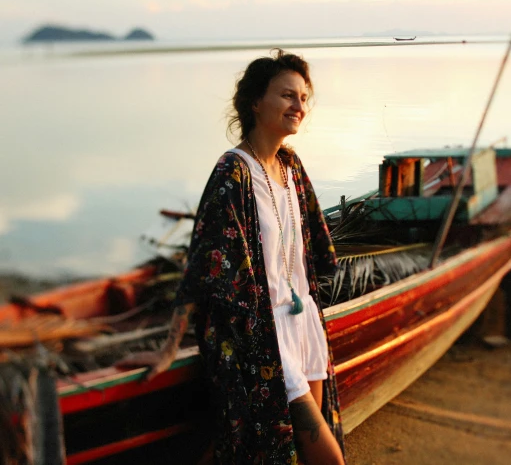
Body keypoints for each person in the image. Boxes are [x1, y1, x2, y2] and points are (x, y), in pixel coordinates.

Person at [119, 49, 346, 465]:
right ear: (255, 102)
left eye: (303, 97)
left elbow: (315, 246)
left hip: (304, 323)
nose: (299, 106)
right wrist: (170, 347)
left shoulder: (291, 166)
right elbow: (201, 266)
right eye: (286, 95)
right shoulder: (233, 174)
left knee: (307, 453)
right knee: (329, 460)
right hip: (268, 336)